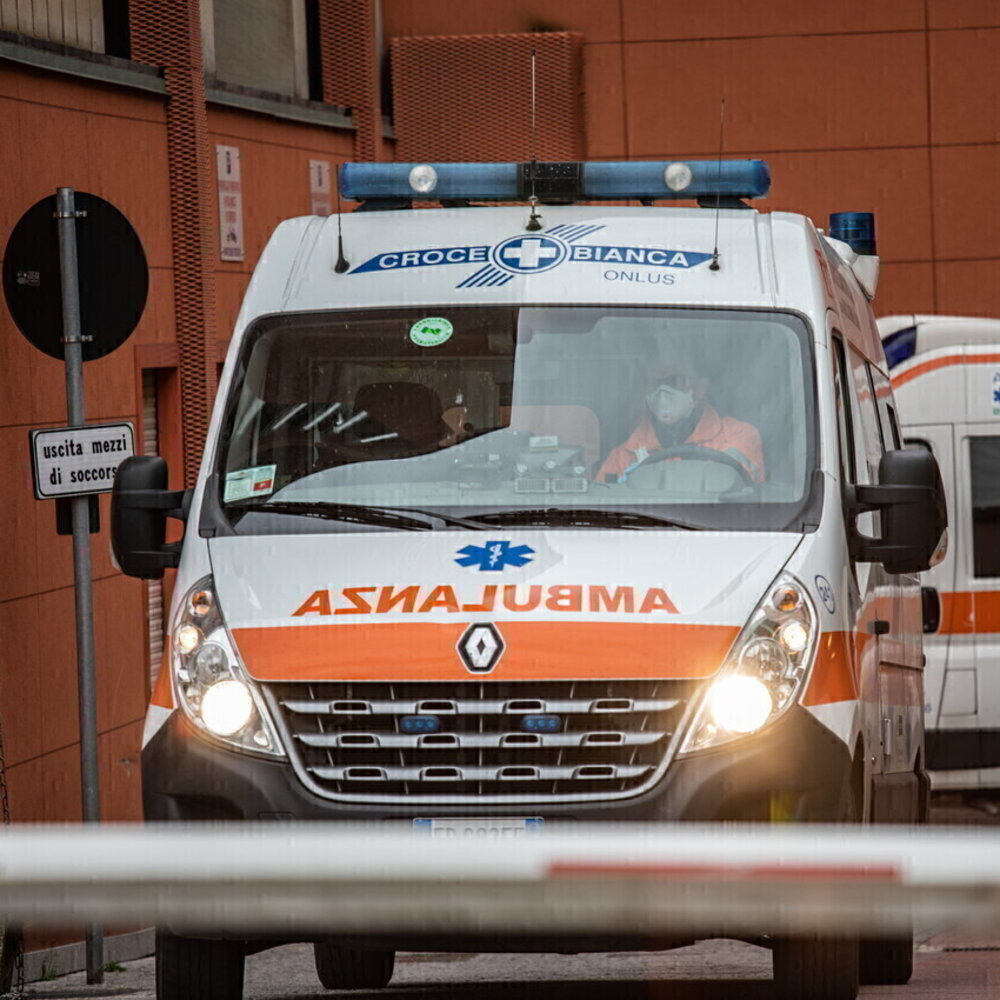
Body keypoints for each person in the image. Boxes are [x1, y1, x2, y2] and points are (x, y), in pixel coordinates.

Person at [597, 348, 765, 484]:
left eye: (674, 381)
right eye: (653, 383)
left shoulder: (738, 436)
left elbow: (735, 498)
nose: (662, 392)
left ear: (700, 386)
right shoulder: (623, 455)